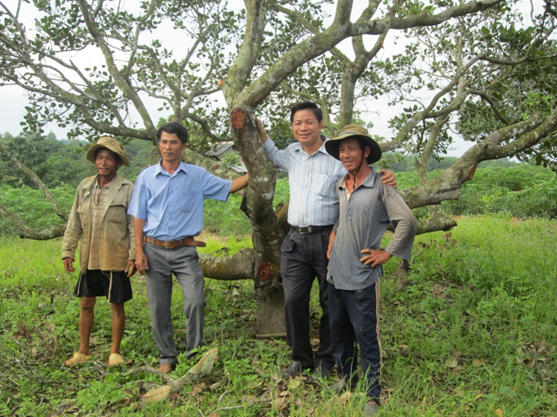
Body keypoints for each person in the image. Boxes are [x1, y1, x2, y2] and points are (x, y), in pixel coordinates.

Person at [255, 102, 397, 379]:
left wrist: (388, 177)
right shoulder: (291, 155)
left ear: (320, 125)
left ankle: (326, 359)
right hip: (295, 240)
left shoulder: (337, 157)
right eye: (297, 123)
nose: (303, 128)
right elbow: (270, 149)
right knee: (293, 300)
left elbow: (362, 177)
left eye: (308, 122)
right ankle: (300, 358)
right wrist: (255, 125)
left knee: (330, 303)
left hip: (328, 239)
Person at [128, 122, 249, 374]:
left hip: (184, 252)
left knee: (195, 301)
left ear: (183, 146)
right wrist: (138, 251)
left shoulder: (196, 175)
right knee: (158, 307)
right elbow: (138, 217)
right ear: (158, 144)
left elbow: (229, 186)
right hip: (153, 250)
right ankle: (166, 357)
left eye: (173, 142)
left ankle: (194, 352)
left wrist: (259, 172)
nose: (168, 147)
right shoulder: (146, 177)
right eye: (163, 141)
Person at [324, 124, 417, 415]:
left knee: (366, 335)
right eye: (342, 149)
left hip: (363, 277)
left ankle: (372, 394)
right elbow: (341, 219)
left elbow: (408, 221)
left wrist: (386, 253)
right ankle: (347, 379)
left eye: (352, 148)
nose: (346, 154)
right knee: (338, 333)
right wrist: (333, 236)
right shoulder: (341, 183)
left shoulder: (381, 186)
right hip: (336, 274)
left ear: (366, 152)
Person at [62, 136, 136, 367]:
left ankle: (115, 352)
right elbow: (74, 222)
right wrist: (68, 250)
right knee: (86, 303)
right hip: (89, 257)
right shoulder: (84, 187)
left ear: (117, 163)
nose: (103, 163)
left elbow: (134, 225)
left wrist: (134, 255)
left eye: (109, 159)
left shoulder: (127, 188)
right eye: (100, 157)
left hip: (115, 257)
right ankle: (83, 351)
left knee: (116, 304)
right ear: (95, 160)